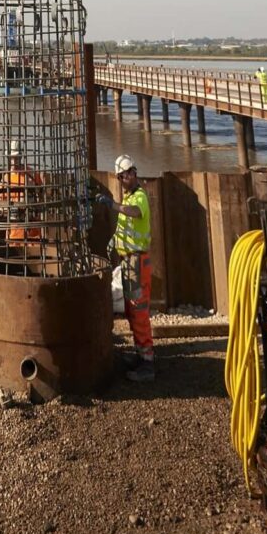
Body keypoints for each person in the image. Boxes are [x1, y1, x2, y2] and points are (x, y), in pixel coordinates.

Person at [111, 153, 155, 382]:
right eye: (120, 176)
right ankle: (140, 354)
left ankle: (147, 362)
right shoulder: (128, 198)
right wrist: (114, 241)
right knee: (131, 310)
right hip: (128, 261)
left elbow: (136, 213)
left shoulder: (138, 197)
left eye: (127, 174)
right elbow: (126, 228)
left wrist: (113, 205)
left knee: (139, 311)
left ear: (134, 172)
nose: (124, 179)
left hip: (137, 262)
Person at [0, 138, 45, 253]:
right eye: (11, 158)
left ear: (21, 157)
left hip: (33, 235)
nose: (14, 162)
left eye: (17, 158)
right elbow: (1, 208)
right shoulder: (6, 179)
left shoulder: (32, 175)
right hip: (14, 235)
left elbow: (41, 201)